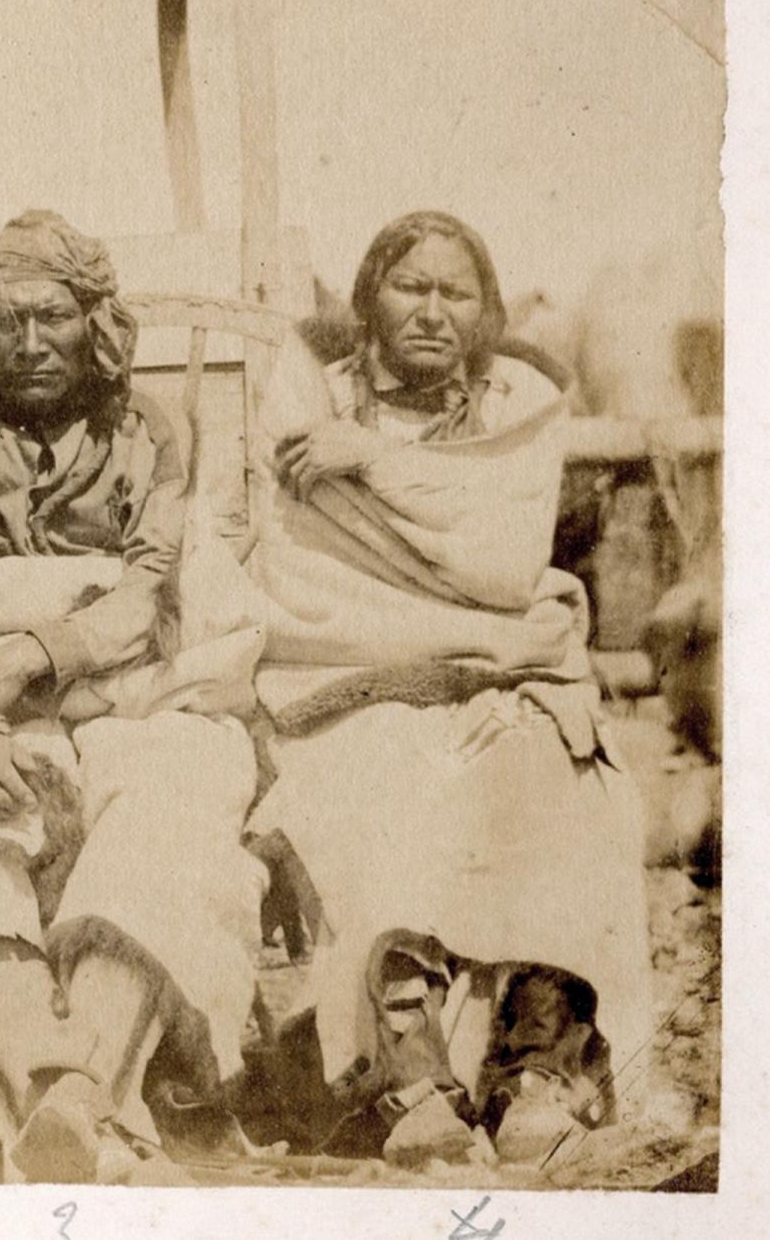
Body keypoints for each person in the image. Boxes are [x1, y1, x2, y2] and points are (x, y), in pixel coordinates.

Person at [239, 211, 655, 1164]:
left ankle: (536, 1069)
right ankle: (410, 1073)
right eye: (408, 286)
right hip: (346, 663)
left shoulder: (516, 406)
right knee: (370, 778)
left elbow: (507, 558)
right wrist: (348, 446)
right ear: (370, 300)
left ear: (486, 310)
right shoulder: (311, 400)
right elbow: (299, 563)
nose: (431, 310)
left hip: (504, 655)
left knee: (558, 770)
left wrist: (379, 457)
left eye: (454, 292)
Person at [0, 210, 268, 1184]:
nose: (32, 342)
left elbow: (154, 588)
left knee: (167, 812)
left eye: (53, 316)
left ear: (97, 323)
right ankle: (52, 1089)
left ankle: (83, 1092)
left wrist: (37, 649)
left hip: (141, 687)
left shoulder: (147, 436)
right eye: (6, 321)